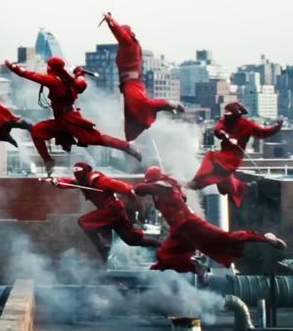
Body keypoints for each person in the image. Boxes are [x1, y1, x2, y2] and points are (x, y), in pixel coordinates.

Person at [135, 166, 285, 281]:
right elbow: (181, 198)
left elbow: (139, 189)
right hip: (179, 231)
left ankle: (265, 238)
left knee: (227, 238)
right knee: (164, 257)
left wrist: (158, 184)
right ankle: (195, 268)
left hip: (189, 224)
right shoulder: (165, 189)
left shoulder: (164, 188)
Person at [5, 57, 141, 174]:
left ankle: (127, 146)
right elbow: (81, 83)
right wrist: (79, 73)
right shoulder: (69, 80)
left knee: (95, 139)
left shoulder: (54, 81)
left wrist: (11, 65)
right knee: (36, 132)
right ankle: (48, 161)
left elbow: (28, 74)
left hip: (69, 120)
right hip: (62, 119)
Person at [47, 162, 161, 262]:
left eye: (80, 177)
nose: (79, 180)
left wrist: (138, 207)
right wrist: (56, 181)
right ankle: (161, 246)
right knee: (132, 240)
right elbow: (68, 183)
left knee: (84, 222)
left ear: (87, 174)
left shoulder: (102, 181)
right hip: (113, 213)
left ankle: (103, 248)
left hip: (113, 209)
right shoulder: (83, 181)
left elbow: (127, 189)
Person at [100, 12, 184, 141]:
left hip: (131, 83)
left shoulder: (129, 45)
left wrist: (110, 21)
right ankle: (130, 143)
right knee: (131, 118)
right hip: (128, 84)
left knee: (141, 105)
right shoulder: (128, 47)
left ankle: (168, 104)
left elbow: (120, 33)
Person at [188, 102, 283, 207]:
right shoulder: (224, 121)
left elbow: (263, 132)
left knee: (211, 156)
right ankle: (247, 189)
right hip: (224, 155)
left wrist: (277, 127)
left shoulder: (247, 124)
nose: (226, 116)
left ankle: (196, 183)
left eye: (229, 113)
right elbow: (217, 130)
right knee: (224, 179)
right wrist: (224, 134)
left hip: (233, 158)